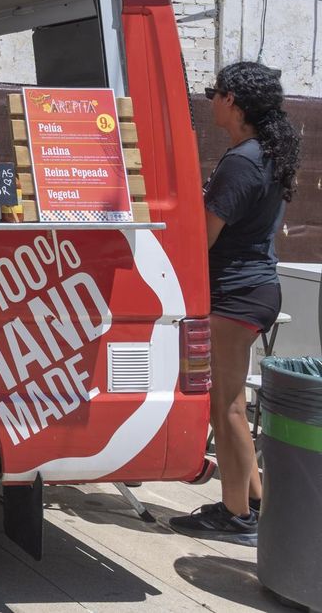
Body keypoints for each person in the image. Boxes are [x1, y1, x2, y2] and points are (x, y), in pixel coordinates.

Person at [169, 62, 298, 545]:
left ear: (234, 104)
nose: (210, 100)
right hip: (255, 288)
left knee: (225, 408)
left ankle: (234, 515)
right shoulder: (264, 154)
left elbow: (200, 239)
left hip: (236, 294)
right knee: (231, 405)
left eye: (214, 92)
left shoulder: (242, 161)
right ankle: (256, 501)